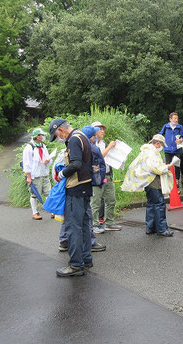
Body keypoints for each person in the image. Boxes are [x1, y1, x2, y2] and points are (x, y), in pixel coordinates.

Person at [49, 118, 97, 277]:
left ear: (61, 130)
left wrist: (62, 173)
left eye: (57, 135)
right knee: (83, 224)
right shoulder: (82, 135)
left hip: (76, 188)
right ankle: (86, 258)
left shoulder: (74, 140)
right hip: (85, 186)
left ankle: (76, 265)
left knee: (73, 227)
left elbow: (76, 163)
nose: (58, 138)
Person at [121, 134, 174, 237]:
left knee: (151, 204)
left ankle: (150, 228)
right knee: (159, 204)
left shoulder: (146, 151)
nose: (162, 148)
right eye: (162, 145)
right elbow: (154, 168)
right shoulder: (151, 152)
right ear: (158, 143)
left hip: (147, 182)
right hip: (152, 181)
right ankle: (162, 229)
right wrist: (166, 167)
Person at [89, 121, 122, 233]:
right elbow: (98, 157)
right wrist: (109, 148)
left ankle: (109, 223)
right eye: (100, 129)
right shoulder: (91, 144)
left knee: (111, 200)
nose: (102, 131)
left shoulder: (104, 143)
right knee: (95, 202)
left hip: (107, 175)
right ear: (94, 130)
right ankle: (94, 224)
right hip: (96, 177)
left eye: (103, 129)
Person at [22, 128, 51, 220]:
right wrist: (29, 177)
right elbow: (26, 163)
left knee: (48, 192)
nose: (43, 137)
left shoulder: (43, 146)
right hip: (35, 175)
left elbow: (47, 157)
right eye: (42, 135)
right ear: (38, 136)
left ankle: (51, 210)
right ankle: (35, 212)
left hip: (44, 172)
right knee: (34, 194)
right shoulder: (29, 148)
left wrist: (48, 161)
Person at [159, 112, 183, 185]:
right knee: (168, 166)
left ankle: (176, 183)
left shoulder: (180, 127)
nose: (176, 120)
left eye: (177, 118)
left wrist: (181, 140)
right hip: (167, 150)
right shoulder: (166, 126)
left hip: (177, 150)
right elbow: (160, 134)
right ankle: (168, 183)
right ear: (170, 119)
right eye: (174, 118)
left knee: (177, 167)